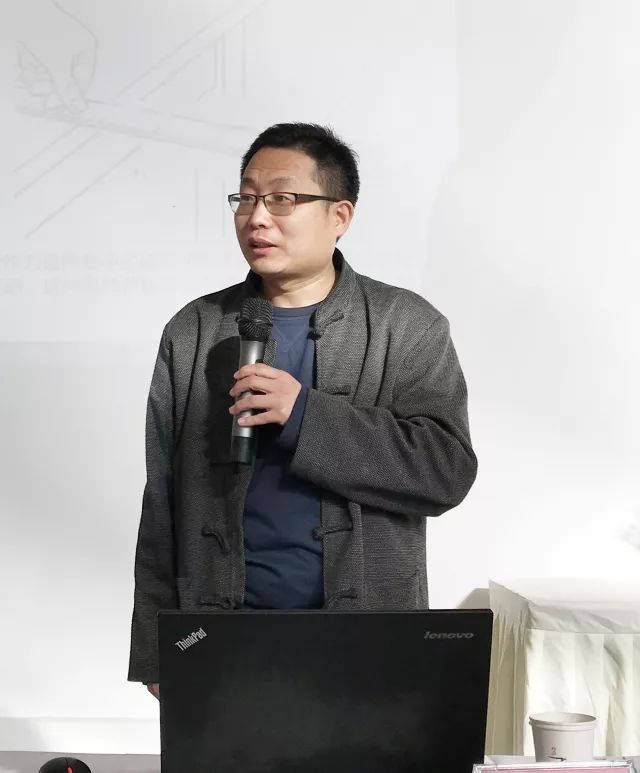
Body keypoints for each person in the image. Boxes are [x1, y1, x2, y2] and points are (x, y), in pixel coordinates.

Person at [128, 123, 478, 699]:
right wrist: (156, 649)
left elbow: (446, 471)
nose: (257, 218)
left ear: (340, 215)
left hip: (367, 640)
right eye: (246, 198)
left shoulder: (407, 325)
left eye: (282, 199)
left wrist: (303, 416)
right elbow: (161, 497)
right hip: (218, 638)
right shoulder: (193, 330)